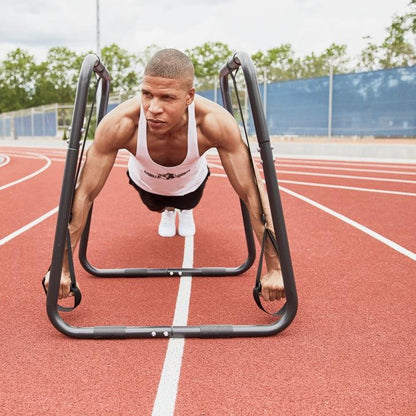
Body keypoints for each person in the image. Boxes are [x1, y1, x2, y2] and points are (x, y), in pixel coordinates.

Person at [44, 48, 285, 302]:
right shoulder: (121, 124)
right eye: (147, 94)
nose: (153, 108)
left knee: (188, 202)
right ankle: (169, 212)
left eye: (167, 98)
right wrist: (60, 267)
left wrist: (277, 268)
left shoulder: (214, 122)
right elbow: (83, 193)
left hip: (191, 187)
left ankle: (182, 210)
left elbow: (252, 194)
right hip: (146, 186)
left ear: (189, 96)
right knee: (158, 207)